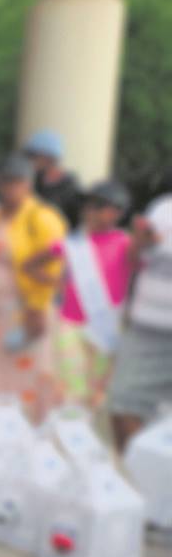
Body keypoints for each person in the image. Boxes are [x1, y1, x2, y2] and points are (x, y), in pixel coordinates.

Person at [0, 154, 67, 422]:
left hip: (24, 312)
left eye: (17, 182)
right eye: (6, 182)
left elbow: (54, 266)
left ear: (28, 184)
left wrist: (37, 307)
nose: (11, 189)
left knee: (24, 378)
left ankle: (22, 428)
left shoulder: (42, 217)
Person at [24, 181, 132, 410]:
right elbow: (31, 265)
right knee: (71, 388)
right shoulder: (73, 243)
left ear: (117, 212)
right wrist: (56, 283)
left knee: (97, 392)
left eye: (98, 205)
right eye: (88, 204)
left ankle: (86, 428)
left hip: (106, 325)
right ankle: (72, 426)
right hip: (70, 324)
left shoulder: (125, 243)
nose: (90, 210)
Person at [108, 172, 172, 451]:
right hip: (144, 326)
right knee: (122, 402)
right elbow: (134, 257)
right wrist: (141, 242)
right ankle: (136, 472)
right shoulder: (162, 208)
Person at [23, 128, 81, 226]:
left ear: (49, 158)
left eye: (33, 155)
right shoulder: (33, 181)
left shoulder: (70, 187)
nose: (30, 160)